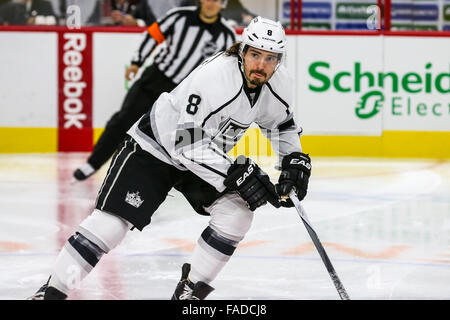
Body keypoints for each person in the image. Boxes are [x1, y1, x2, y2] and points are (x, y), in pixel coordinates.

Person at [30, 16, 311, 300]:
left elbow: (281, 125)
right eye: (255, 54)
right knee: (111, 225)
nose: (261, 65)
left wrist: (293, 160)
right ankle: (51, 292)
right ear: (242, 51)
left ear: (279, 60)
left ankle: (189, 294)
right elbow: (186, 143)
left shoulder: (279, 83)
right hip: (156, 148)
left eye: (270, 58)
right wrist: (234, 172)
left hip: (203, 157)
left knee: (236, 215)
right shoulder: (214, 78)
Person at [73, 0, 236, 182]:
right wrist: (137, 62)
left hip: (182, 94)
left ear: (223, 4)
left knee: (164, 138)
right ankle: (93, 163)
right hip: (155, 79)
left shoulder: (226, 35)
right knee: (123, 120)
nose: (211, 3)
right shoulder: (179, 16)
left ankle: (148, 182)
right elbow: (152, 35)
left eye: (217, 0)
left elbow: (223, 70)